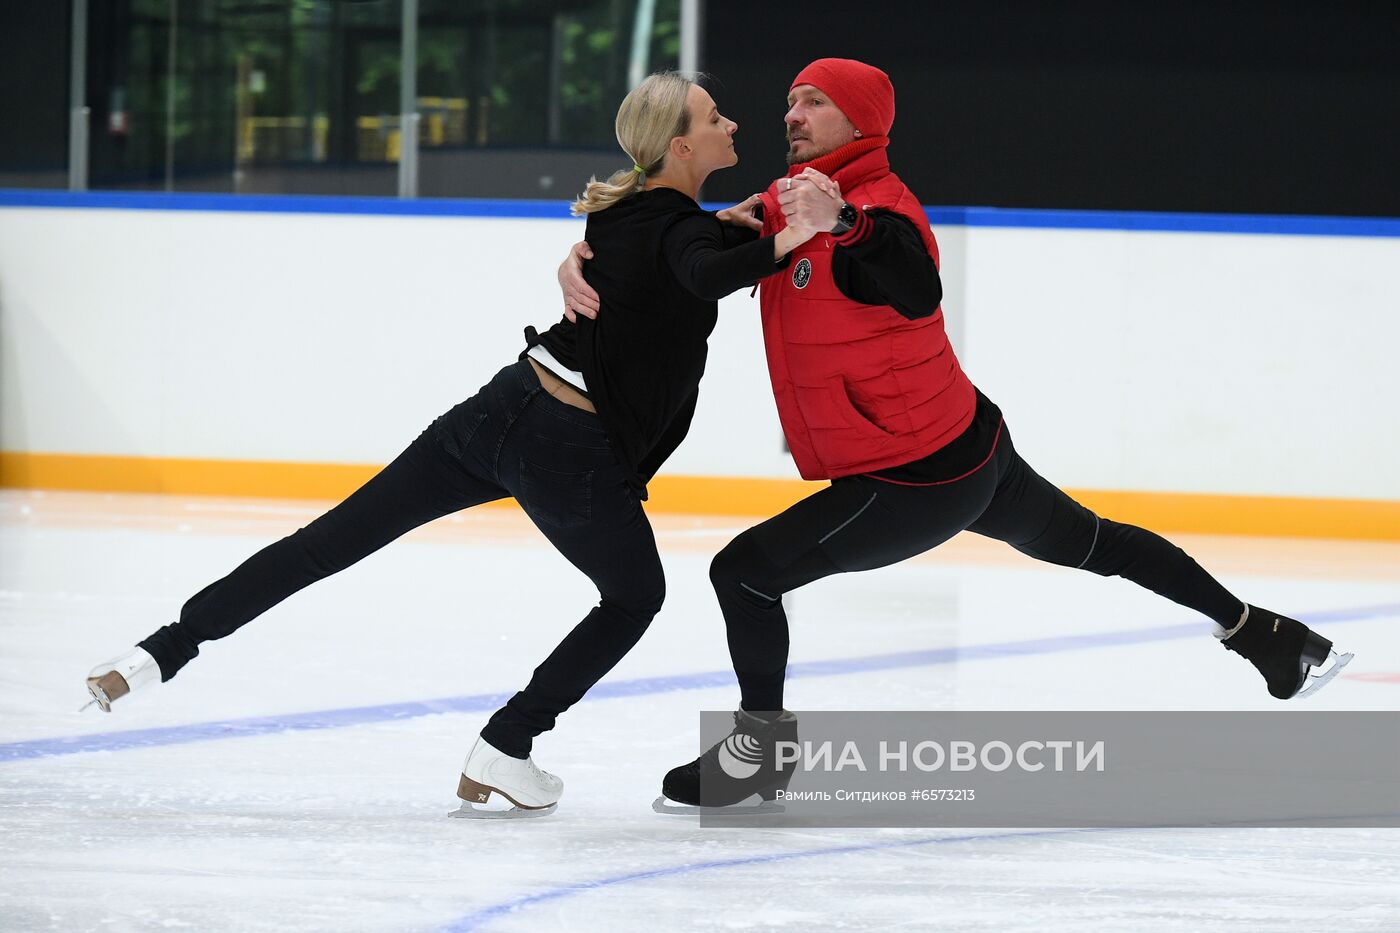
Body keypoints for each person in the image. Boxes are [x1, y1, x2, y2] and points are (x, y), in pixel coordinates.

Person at [556, 58, 1354, 811]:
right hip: (970, 442)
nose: (790, 112)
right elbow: (682, 253)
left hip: (914, 477)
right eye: (792, 98)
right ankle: (1268, 636)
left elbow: (915, 285)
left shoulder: (885, 209)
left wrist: (850, 223)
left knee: (745, 575)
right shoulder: (792, 196)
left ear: (859, 118)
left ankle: (760, 762)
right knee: (1098, 542)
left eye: (814, 102)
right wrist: (584, 255)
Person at [82, 72, 821, 819]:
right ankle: (508, 743)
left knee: (328, 541)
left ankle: (161, 649)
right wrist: (789, 235)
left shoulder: (623, 215)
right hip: (571, 443)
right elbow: (698, 269)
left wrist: (738, 224)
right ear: (680, 144)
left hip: (500, 407)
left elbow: (678, 253)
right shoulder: (680, 232)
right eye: (715, 116)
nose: (733, 123)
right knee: (636, 596)